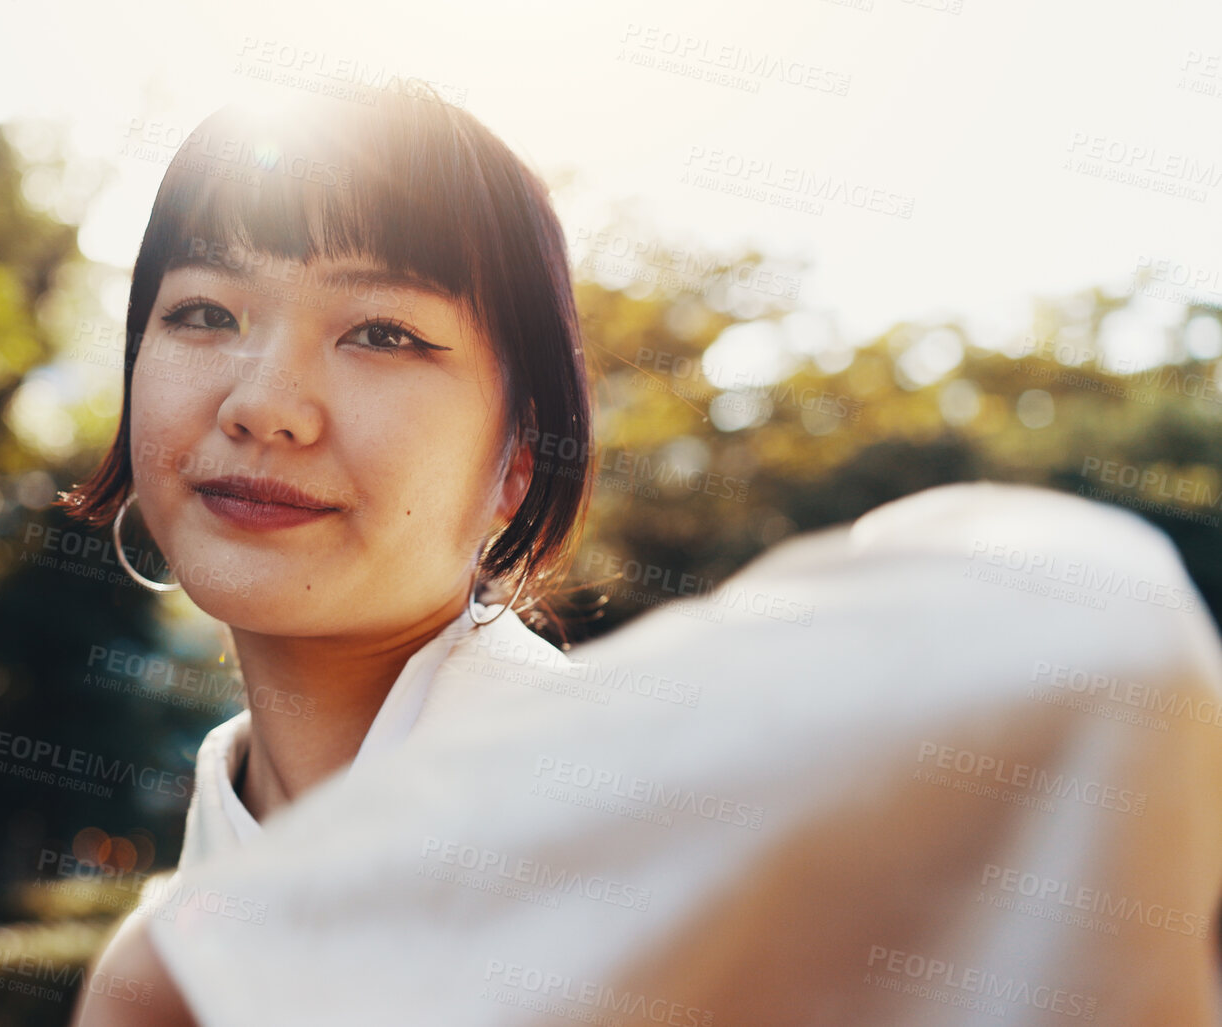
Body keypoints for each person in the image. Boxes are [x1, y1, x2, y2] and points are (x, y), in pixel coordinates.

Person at [61, 82, 1222, 1026]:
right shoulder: (211, 884)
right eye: (205, 312)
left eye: (383, 332)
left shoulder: (631, 806)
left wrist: (225, 947)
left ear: (519, 456)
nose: (265, 404)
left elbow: (1099, 628)